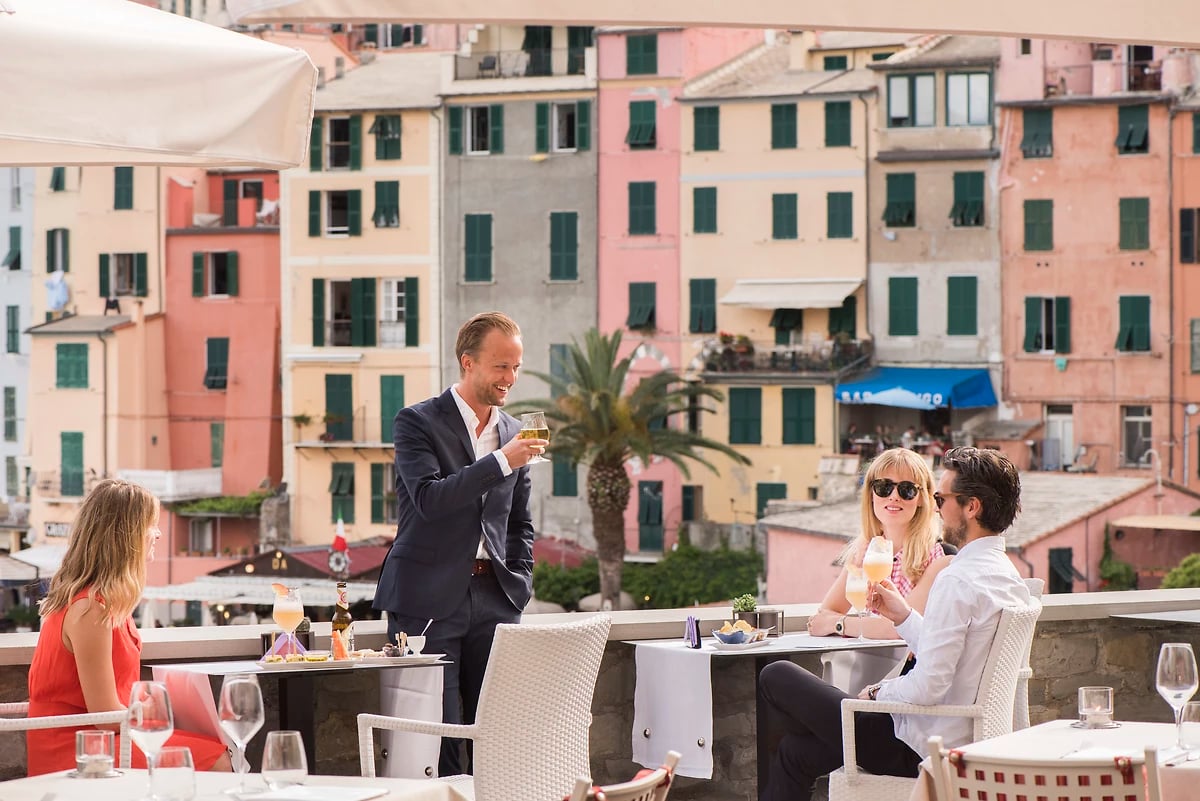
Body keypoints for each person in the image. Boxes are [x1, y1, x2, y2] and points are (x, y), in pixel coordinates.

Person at [758, 447, 1032, 801]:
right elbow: (945, 651)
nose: (936, 507)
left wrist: (876, 694)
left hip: (918, 744)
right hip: (960, 734)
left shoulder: (958, 579)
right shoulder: (1006, 575)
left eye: (940, 497)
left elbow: (930, 685)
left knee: (776, 674)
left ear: (971, 506)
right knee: (796, 752)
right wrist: (902, 615)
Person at [374, 311, 546, 777]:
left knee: (496, 733)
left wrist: (519, 582)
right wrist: (500, 461)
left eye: (516, 366)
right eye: (500, 366)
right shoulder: (416, 422)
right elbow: (429, 500)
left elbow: (518, 522)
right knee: (439, 739)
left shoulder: (514, 431)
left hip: (496, 598)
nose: (510, 378)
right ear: (467, 362)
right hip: (427, 599)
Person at [26, 479, 230, 775]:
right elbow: (106, 717)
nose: (158, 533)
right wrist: (156, 708)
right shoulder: (90, 609)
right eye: (151, 525)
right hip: (78, 750)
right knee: (214, 758)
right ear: (126, 536)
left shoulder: (103, 601)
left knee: (210, 748)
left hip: (102, 740)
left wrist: (147, 702)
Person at [806, 448, 952, 641]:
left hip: (906, 669)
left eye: (906, 489)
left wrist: (838, 624)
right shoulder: (864, 551)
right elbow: (824, 613)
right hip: (866, 663)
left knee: (776, 669)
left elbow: (899, 629)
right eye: (884, 487)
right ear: (871, 494)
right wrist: (857, 625)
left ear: (921, 499)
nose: (893, 496)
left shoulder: (938, 557)